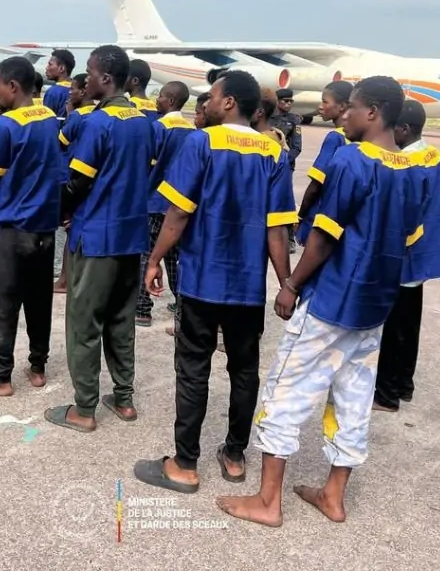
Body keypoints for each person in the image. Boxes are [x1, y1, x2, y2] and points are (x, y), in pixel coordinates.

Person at [217, 76, 425, 527]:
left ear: (373, 112)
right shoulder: (413, 167)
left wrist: (291, 284)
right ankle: (333, 495)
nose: (344, 114)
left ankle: (268, 501)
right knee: (354, 395)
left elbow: (325, 235)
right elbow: (410, 239)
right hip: (374, 305)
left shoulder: (352, 159)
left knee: (286, 391)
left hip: (333, 298)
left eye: (352, 107)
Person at [132, 70, 296, 494]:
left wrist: (154, 259)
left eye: (213, 95)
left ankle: (185, 464)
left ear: (229, 102)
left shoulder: (201, 142)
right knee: (244, 371)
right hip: (247, 286)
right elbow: (278, 228)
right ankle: (235, 456)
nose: (205, 103)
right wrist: (286, 283)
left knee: (193, 369)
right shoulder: (274, 152)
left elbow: (178, 212)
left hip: (202, 280)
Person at [44, 44, 153, 433]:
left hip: (96, 236)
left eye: (89, 73)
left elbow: (78, 181)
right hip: (131, 236)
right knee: (121, 320)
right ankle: (123, 399)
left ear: (105, 78)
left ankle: (85, 408)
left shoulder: (97, 123)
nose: (86, 80)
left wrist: (59, 212)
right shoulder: (144, 121)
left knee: (84, 323)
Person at [0, 56, 61, 395]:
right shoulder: (48, 117)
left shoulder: (7, 125)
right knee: (39, 301)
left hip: (14, 227)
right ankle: (38, 366)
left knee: (4, 304)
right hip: (44, 227)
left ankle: (0, 376)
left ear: (13, 86)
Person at [373, 100, 440, 412]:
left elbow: (401, 213)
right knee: (409, 324)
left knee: (393, 329)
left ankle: (386, 395)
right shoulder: (435, 156)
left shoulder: (405, 164)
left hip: (402, 252)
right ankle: (404, 383)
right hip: (422, 252)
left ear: (403, 129)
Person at [135, 81, 194, 328]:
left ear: (170, 101)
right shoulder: (193, 131)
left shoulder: (158, 128)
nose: (156, 100)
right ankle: (183, 309)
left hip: (154, 201)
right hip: (180, 205)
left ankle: (142, 309)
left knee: (146, 255)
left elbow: (146, 164)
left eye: (159, 96)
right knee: (175, 259)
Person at [295, 79, 353, 246]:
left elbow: (316, 185)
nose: (320, 106)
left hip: (323, 215)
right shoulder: (358, 138)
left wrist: (301, 215)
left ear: (341, 106)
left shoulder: (335, 137)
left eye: (325, 102)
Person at [54, 73, 93, 294]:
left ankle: (64, 280)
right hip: (87, 177)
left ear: (83, 91)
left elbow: (60, 142)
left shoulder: (78, 116)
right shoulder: (97, 113)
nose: (70, 93)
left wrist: (69, 115)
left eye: (73, 89)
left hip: (70, 175)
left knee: (69, 229)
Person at [271, 88, 302, 171]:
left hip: (285, 163)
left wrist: (284, 161)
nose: (289, 103)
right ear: (277, 101)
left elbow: (296, 147)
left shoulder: (294, 120)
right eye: (285, 101)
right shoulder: (267, 117)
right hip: (267, 161)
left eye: (291, 101)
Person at [43, 49, 75, 121]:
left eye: (50, 64)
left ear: (61, 68)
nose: (46, 67)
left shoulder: (53, 92)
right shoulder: (78, 89)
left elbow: (47, 121)